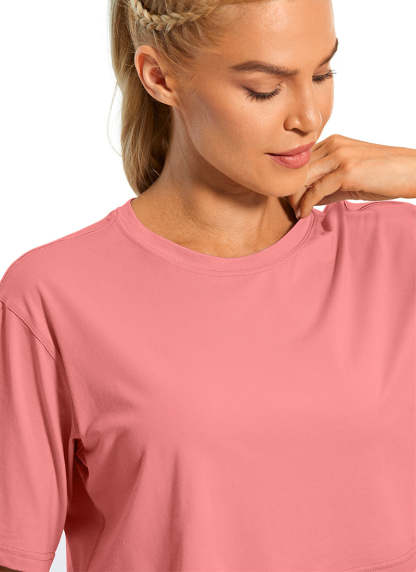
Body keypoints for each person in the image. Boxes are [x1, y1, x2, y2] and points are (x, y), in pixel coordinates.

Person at [1, 0, 416, 571]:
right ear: (159, 77)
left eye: (323, 74)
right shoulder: (51, 296)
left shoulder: (395, 250)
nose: (308, 117)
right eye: (264, 89)